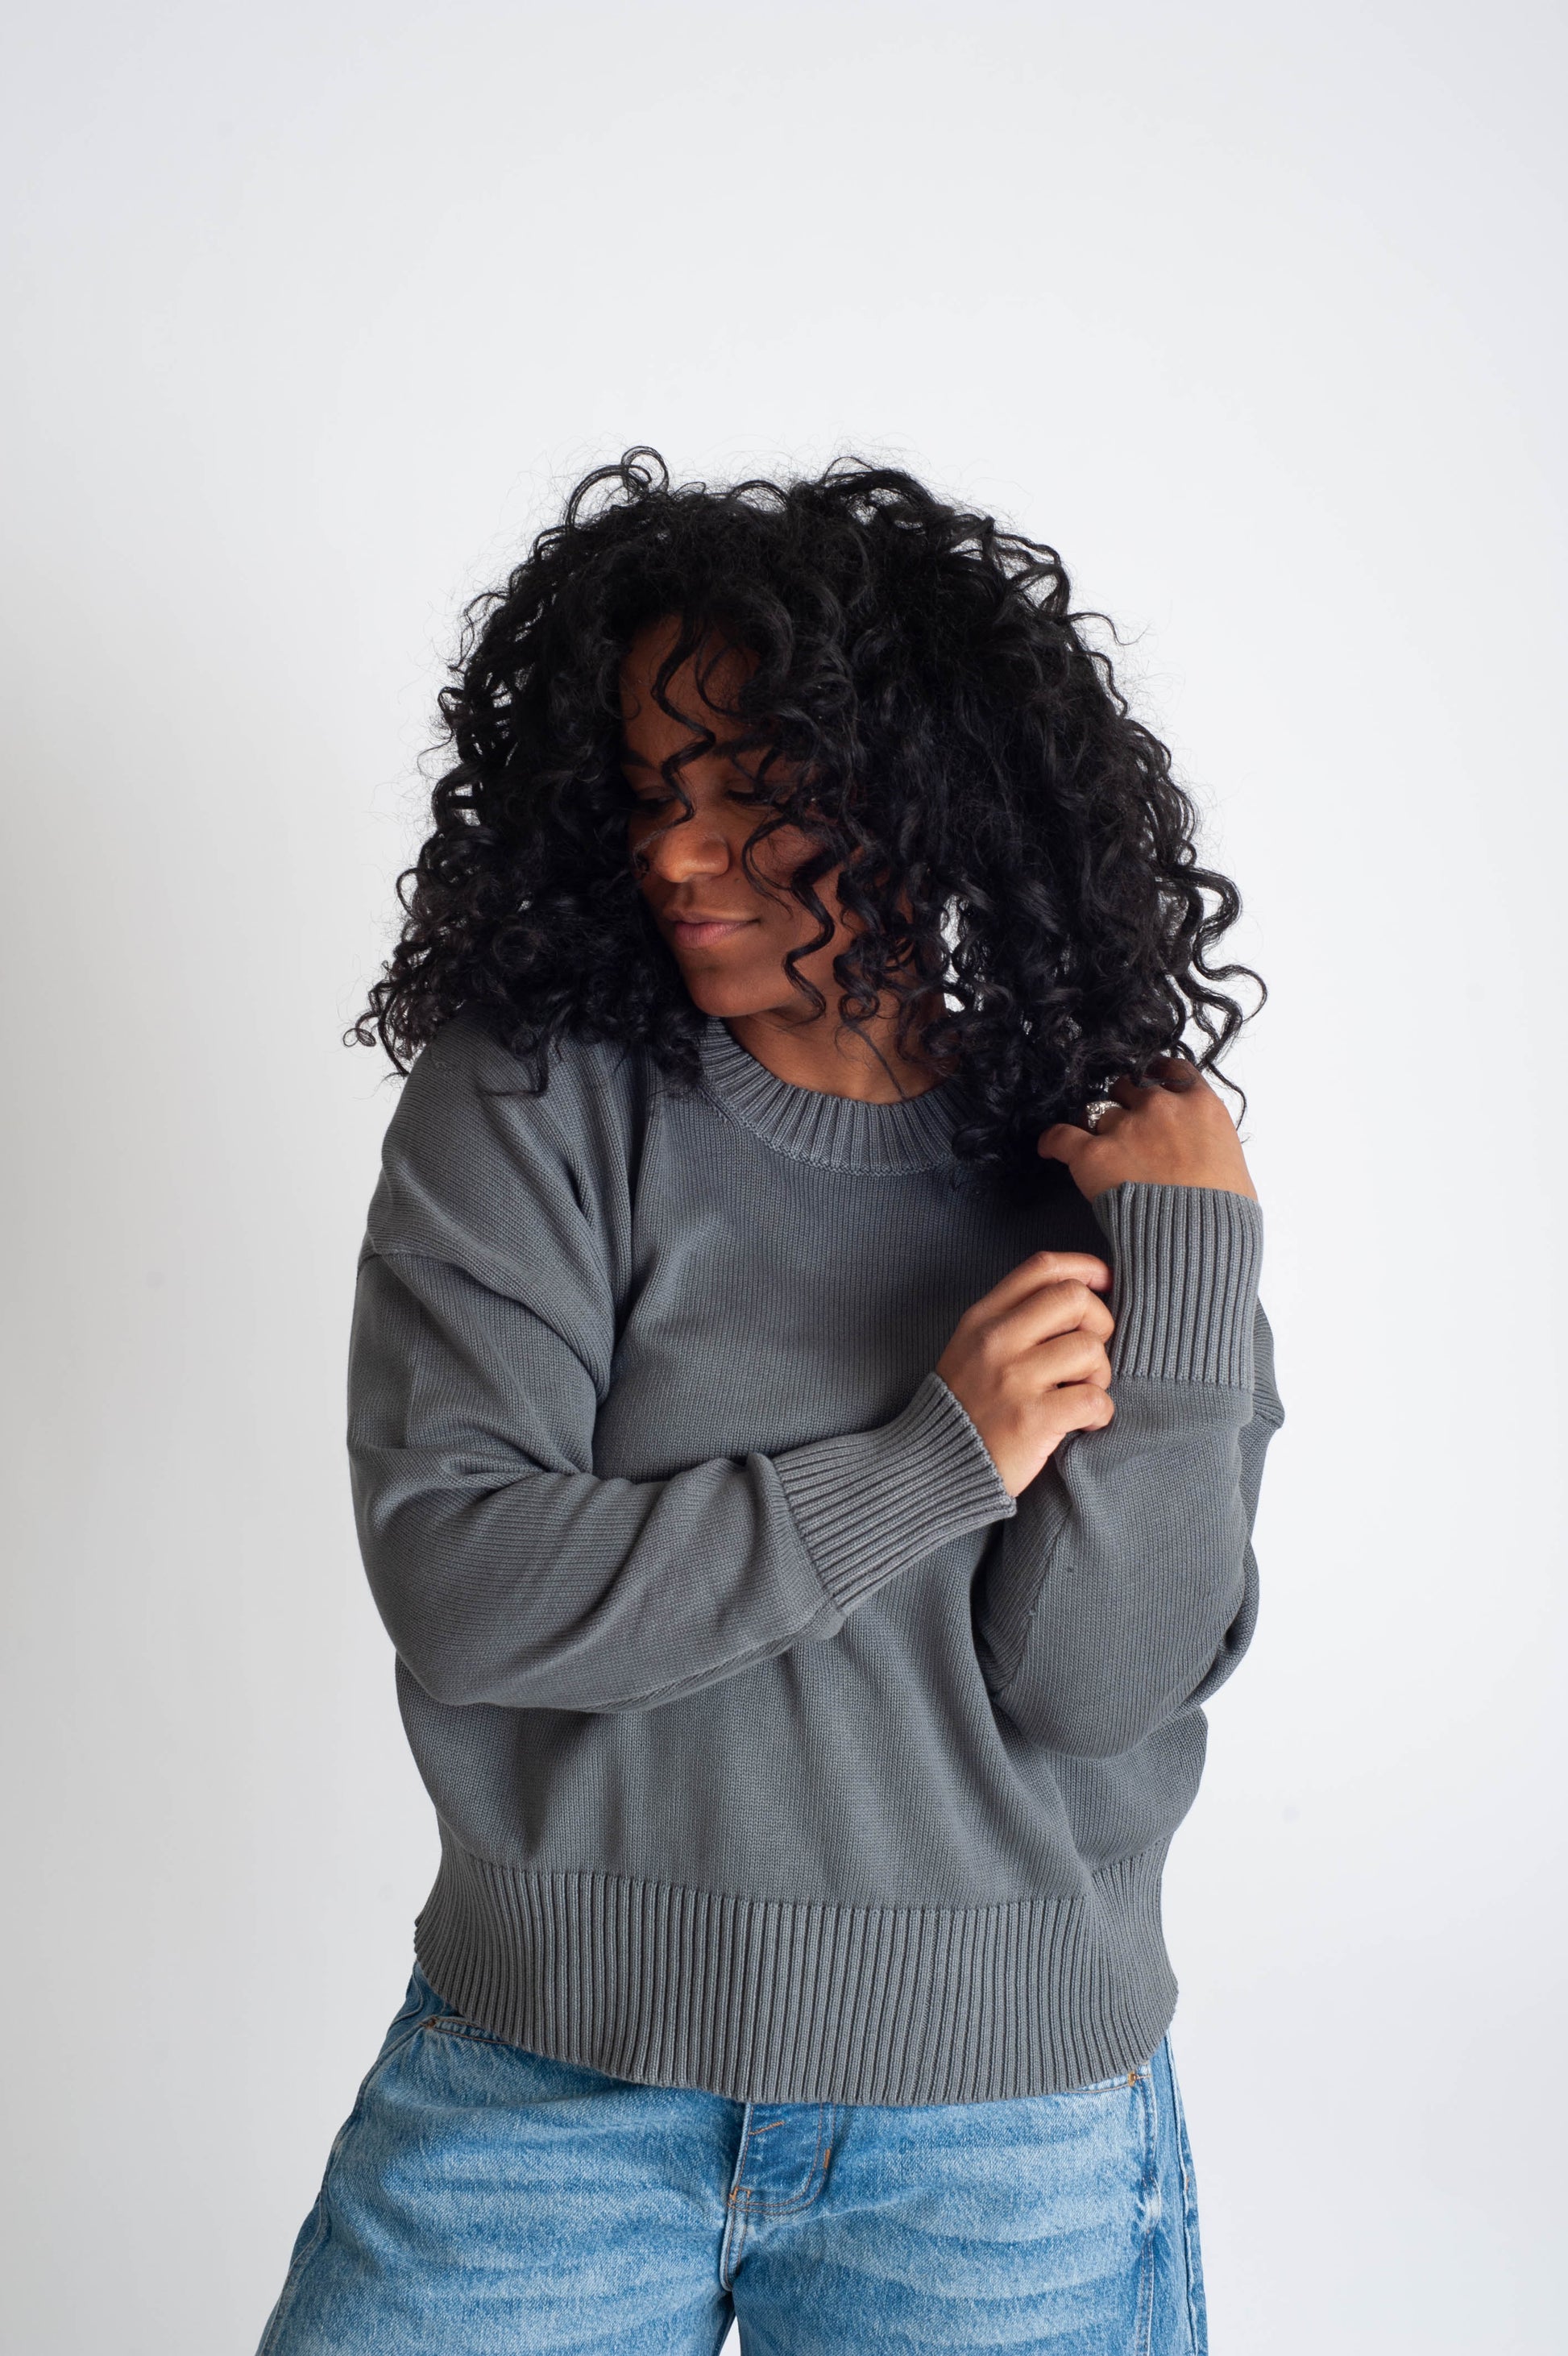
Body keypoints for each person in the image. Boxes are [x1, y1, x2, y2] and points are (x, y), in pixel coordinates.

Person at [257, 450, 1282, 2355]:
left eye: (751, 792)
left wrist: (1191, 1274)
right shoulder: (536, 1098)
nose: (676, 852)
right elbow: (467, 1582)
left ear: (928, 798)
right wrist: (935, 1462)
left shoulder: (1113, 1174)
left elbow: (1099, 1688)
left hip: (1000, 2144)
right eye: (653, 793)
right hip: (543, 2091)